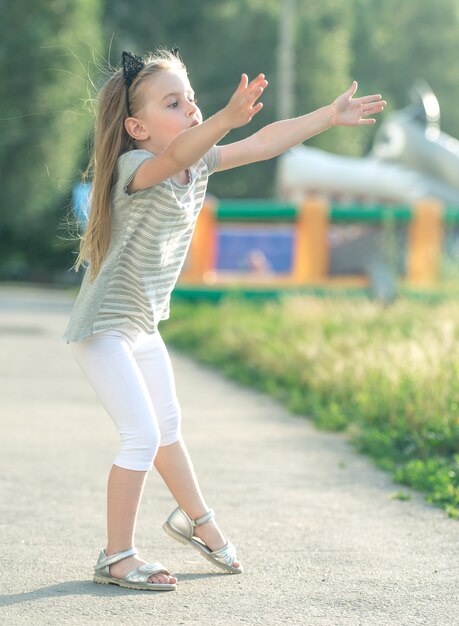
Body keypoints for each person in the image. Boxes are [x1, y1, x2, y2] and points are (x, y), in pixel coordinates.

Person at [64, 49, 386, 591]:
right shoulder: (136, 167)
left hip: (140, 327)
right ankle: (116, 556)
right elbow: (179, 155)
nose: (191, 109)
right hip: (102, 332)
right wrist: (222, 121)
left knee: (168, 430)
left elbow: (263, 143)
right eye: (174, 102)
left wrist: (325, 118)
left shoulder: (197, 162)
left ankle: (199, 521)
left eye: (191, 99)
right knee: (140, 435)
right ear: (136, 127)